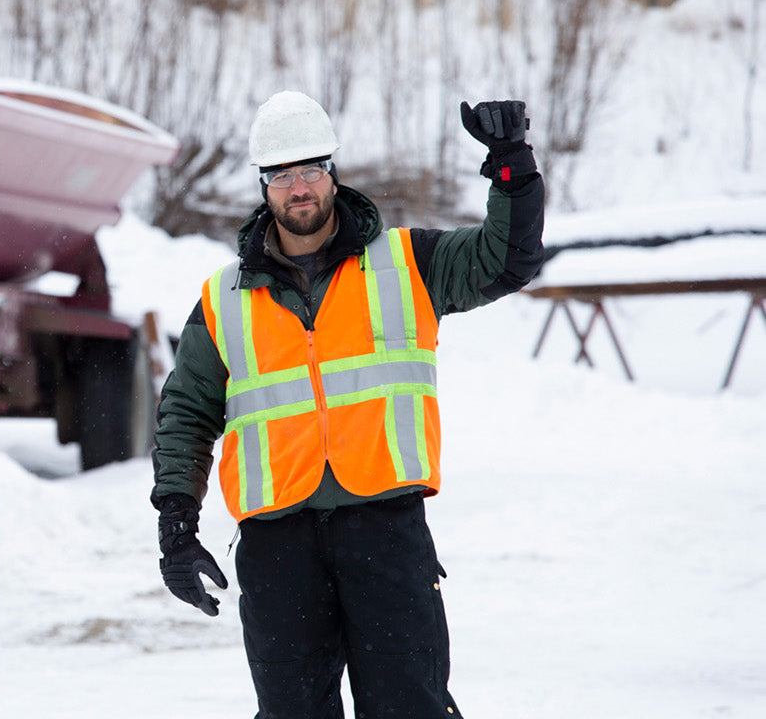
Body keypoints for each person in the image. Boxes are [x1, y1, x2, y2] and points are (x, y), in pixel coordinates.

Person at [151, 92, 545, 718]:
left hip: (383, 530)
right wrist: (177, 524)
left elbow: (509, 257)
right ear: (264, 187)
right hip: (277, 544)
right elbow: (186, 417)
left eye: (310, 169)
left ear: (333, 174)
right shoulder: (224, 298)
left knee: (408, 707)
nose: (298, 187)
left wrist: (510, 164)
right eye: (282, 175)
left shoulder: (408, 262)